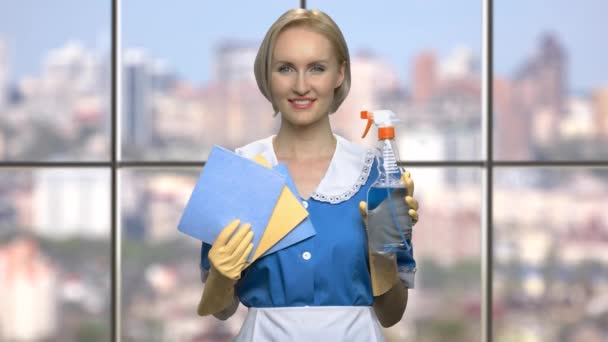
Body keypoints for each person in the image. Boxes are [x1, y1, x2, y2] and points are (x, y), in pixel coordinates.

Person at [197, 8, 420, 341]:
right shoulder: (240, 170)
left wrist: (383, 254)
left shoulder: (378, 176)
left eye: (317, 68)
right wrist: (220, 276)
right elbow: (222, 309)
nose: (301, 86)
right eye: (285, 68)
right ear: (266, 76)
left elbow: (391, 314)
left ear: (339, 75)